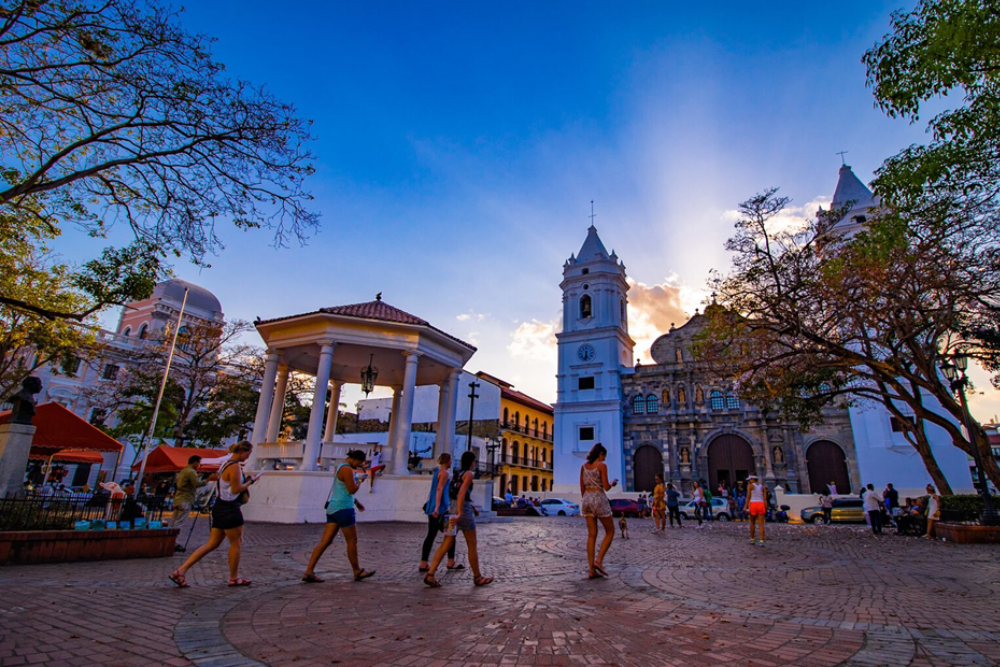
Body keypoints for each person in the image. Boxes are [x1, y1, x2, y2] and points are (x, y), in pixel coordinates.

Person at [169, 441, 261, 588]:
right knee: (236, 543)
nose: (247, 457)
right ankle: (234, 577)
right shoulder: (235, 466)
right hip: (230, 508)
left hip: (219, 506)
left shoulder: (224, 464)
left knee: (213, 543)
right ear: (242, 451)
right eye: (248, 454)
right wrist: (251, 481)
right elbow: (236, 489)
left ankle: (181, 570)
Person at [302, 450, 375, 582]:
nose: (358, 465)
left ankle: (309, 571)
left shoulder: (340, 467)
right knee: (352, 541)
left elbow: (342, 490)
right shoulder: (347, 470)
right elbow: (351, 490)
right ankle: (357, 571)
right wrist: (360, 481)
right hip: (344, 509)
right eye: (359, 462)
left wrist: (357, 503)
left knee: (325, 541)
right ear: (355, 459)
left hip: (333, 509)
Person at [424, 451, 493, 588]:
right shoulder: (469, 474)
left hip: (451, 510)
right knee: (472, 545)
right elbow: (462, 493)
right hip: (463, 512)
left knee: (446, 543)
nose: (475, 463)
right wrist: (461, 512)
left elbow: (455, 493)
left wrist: (468, 508)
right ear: (471, 461)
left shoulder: (456, 473)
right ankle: (478, 577)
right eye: (474, 461)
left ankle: (430, 574)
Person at [579, 443, 617, 579]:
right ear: (600, 454)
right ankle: (599, 561)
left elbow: (582, 487)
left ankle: (591, 570)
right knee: (610, 531)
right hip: (599, 499)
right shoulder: (602, 466)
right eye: (604, 456)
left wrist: (586, 500)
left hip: (586, 499)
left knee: (591, 535)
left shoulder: (583, 467)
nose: (604, 459)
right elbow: (606, 487)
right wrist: (613, 483)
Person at [419, 453, 460, 573]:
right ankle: (450, 561)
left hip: (432, 507)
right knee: (451, 533)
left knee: (431, 535)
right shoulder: (445, 473)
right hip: (441, 509)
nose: (451, 462)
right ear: (447, 461)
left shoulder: (437, 471)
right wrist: (437, 507)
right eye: (450, 460)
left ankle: (423, 563)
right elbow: (439, 489)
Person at [171, 455, 208, 553]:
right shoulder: (191, 471)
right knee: (179, 522)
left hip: (179, 498)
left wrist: (197, 476)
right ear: (195, 462)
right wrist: (207, 480)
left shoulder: (184, 471)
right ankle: (174, 542)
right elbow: (196, 484)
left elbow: (187, 481)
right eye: (198, 463)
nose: (199, 465)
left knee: (174, 521)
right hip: (185, 499)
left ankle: (170, 539)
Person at [746, 474, 767, 546]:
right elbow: (765, 498)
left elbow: (748, 496)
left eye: (750, 479)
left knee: (752, 523)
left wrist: (745, 506)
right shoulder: (762, 487)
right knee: (761, 524)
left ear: (752, 479)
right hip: (761, 504)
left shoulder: (750, 486)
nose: (749, 481)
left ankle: (752, 539)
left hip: (753, 504)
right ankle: (761, 541)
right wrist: (766, 506)